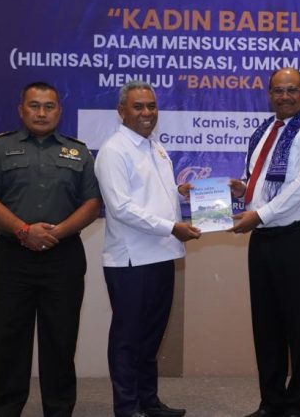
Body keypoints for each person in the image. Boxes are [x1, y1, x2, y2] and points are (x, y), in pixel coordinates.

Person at [0, 81, 102, 417]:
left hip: (63, 257)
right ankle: (6, 409)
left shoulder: (78, 151)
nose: (42, 113)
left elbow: (92, 202)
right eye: (34, 105)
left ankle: (59, 409)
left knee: (61, 339)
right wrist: (24, 231)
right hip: (11, 256)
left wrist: (56, 233)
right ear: (21, 110)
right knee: (9, 338)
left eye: (49, 106)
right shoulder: (0, 148)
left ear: (59, 111)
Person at [230, 68, 300, 417]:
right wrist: (243, 191)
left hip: (299, 240)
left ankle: (299, 406)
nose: (285, 96)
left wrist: (259, 214)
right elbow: (260, 181)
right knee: (267, 327)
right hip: (264, 240)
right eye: (278, 90)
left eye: (292, 90)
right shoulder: (266, 130)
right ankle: (271, 403)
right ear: (269, 94)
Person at [94, 81, 201, 417]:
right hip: (131, 260)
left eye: (152, 106)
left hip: (162, 255)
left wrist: (179, 192)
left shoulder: (154, 146)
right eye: (138, 106)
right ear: (121, 111)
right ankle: (127, 407)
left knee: (151, 336)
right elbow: (122, 208)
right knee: (128, 339)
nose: (146, 113)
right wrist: (172, 227)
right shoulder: (114, 150)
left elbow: (153, 194)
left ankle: (148, 402)